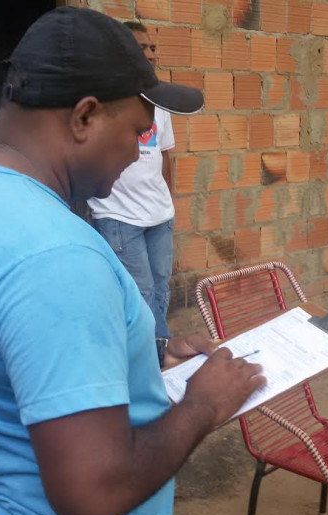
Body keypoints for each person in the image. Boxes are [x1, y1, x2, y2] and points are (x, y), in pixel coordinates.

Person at [0, 7, 265, 515]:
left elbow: (5, 350)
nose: (134, 154)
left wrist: (147, 347)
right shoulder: (55, 258)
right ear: (84, 117)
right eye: (137, 133)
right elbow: (91, 494)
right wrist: (203, 405)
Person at [88, 21, 182, 354]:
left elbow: (164, 154)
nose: (150, 54)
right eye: (141, 47)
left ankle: (158, 354)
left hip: (159, 216)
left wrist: (166, 200)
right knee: (137, 295)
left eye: (153, 47)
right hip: (118, 217)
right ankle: (146, 365)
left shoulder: (161, 98)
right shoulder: (102, 100)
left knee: (159, 290)